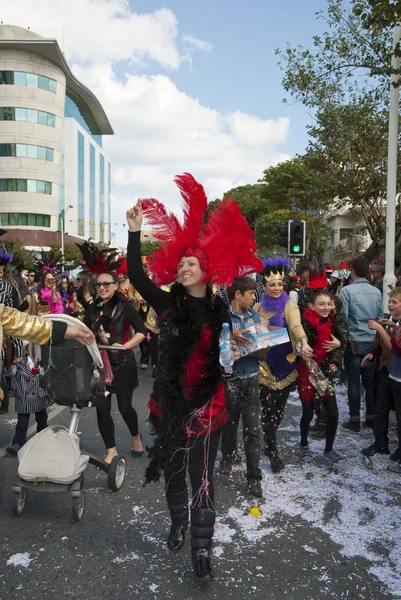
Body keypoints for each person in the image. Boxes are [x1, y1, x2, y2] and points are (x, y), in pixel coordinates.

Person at [126, 173, 261, 579]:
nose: (184, 267)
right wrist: (134, 233)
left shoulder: (223, 311)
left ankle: (202, 551)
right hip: (169, 402)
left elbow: (242, 346)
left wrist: (239, 345)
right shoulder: (167, 305)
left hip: (206, 404)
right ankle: (178, 522)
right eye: (181, 263)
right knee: (173, 469)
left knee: (202, 475)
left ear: (206, 271)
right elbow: (135, 277)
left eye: (192, 263)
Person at [254, 258, 312, 472]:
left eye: (280, 284)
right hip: (263, 367)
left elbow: (296, 327)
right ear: (264, 286)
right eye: (272, 284)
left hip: (286, 367)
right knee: (268, 411)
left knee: (278, 411)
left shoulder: (290, 305)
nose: (277, 288)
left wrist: (304, 343)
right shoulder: (257, 307)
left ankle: (270, 439)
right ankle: (272, 450)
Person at [84, 270, 146, 463]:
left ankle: (135, 436)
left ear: (115, 285)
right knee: (102, 410)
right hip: (100, 366)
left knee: (125, 407)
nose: (102, 288)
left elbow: (142, 332)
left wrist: (125, 345)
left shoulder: (125, 306)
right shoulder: (92, 308)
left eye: (106, 284)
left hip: (123, 365)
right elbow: (85, 331)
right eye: (98, 285)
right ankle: (111, 450)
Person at [220, 277, 263, 497]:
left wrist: (262, 343)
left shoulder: (254, 316)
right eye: (251, 294)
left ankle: (254, 478)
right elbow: (210, 346)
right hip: (230, 379)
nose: (254, 298)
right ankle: (227, 457)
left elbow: (262, 348)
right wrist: (228, 340)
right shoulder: (221, 316)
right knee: (229, 423)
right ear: (238, 294)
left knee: (253, 429)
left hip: (252, 378)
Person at [297, 282, 348, 463]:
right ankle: (303, 443)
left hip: (325, 372)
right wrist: (301, 348)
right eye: (321, 304)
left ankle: (329, 449)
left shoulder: (335, 321)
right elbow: (295, 342)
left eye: (328, 304)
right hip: (307, 370)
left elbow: (343, 341)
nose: (326, 307)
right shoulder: (303, 322)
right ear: (311, 306)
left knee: (333, 413)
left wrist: (339, 345)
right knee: (308, 412)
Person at [339, 255, 383, 432]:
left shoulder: (346, 291)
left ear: (353, 271)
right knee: (369, 380)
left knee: (354, 381)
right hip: (372, 340)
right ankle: (371, 417)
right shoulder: (377, 291)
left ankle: (355, 419)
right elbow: (380, 317)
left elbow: (343, 317)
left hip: (353, 340)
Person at [361, 288, 401, 458]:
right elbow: (381, 344)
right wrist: (373, 353)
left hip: (398, 375)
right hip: (386, 371)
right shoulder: (389, 320)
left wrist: (380, 328)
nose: (390, 305)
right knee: (381, 409)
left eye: (395, 302)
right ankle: (380, 443)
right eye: (390, 301)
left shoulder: (391, 325)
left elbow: (394, 346)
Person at [6, 341, 50, 455]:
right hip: (24, 396)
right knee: (22, 422)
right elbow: (10, 374)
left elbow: (47, 376)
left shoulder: (41, 361)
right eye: (29, 348)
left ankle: (44, 439)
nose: (31, 350)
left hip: (38, 394)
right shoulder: (19, 362)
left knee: (42, 419)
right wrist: (10, 363)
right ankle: (18, 443)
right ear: (25, 350)